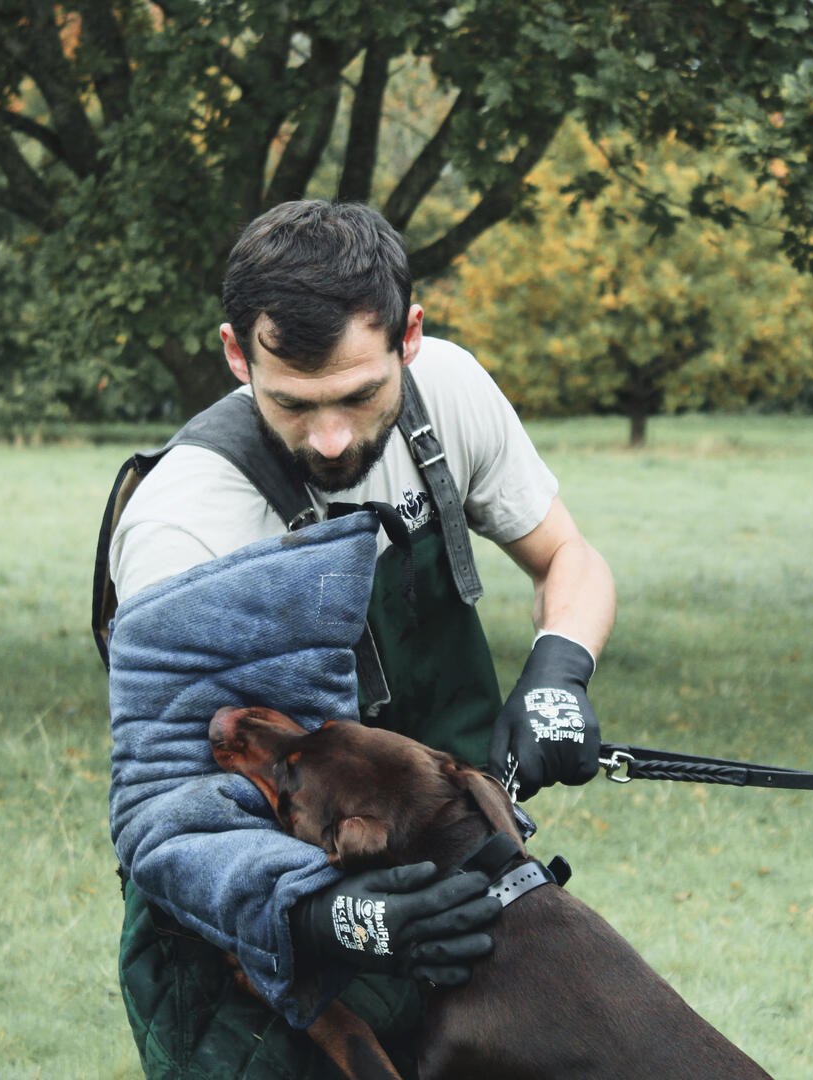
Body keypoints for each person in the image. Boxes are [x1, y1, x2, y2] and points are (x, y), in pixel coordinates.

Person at [100, 199, 616, 1077]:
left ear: (409, 336)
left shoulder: (448, 394)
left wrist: (559, 670)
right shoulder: (182, 527)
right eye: (294, 404)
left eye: (359, 394)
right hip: (256, 952)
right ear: (236, 354)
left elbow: (567, 554)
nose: (332, 438)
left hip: (455, 885)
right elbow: (165, 819)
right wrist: (327, 916)